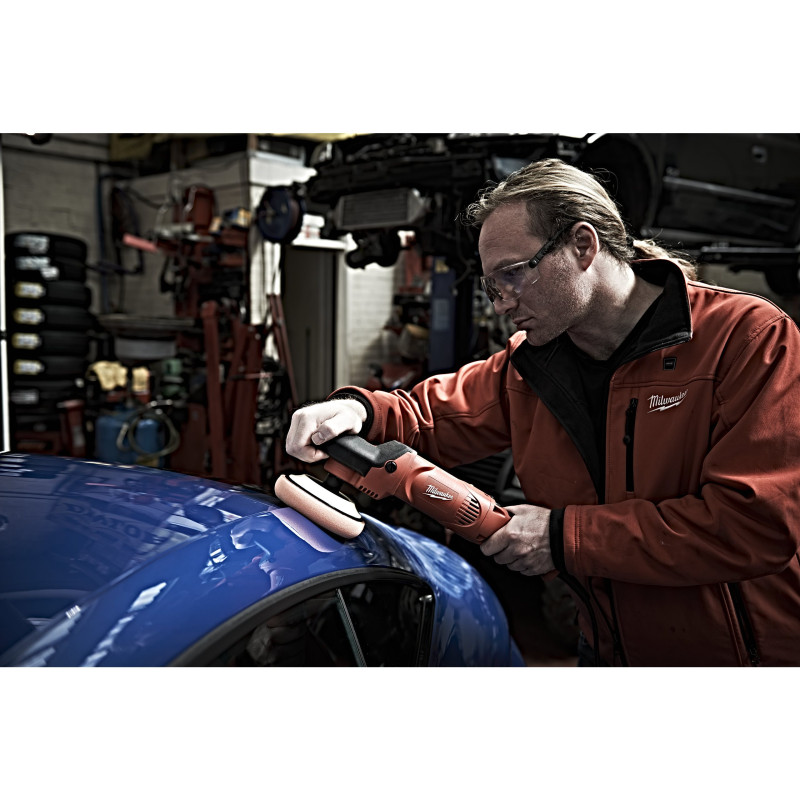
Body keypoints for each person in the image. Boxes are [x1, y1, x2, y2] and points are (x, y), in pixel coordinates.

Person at [285, 158, 800, 667]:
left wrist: (562, 538)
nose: (501, 304)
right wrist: (355, 411)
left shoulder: (747, 339)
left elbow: (755, 525)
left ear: (583, 246)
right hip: (607, 650)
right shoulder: (534, 362)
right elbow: (427, 415)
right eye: (492, 286)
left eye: (512, 275)